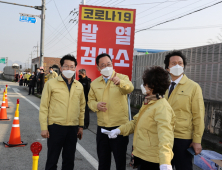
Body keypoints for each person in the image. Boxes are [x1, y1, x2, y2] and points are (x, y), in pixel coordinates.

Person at [107, 66, 175, 170]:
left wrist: (165, 162)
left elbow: (165, 136)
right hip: (142, 155)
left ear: (152, 86)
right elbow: (135, 122)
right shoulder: (149, 102)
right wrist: (118, 130)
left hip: (153, 160)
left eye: (145, 84)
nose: (143, 86)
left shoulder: (162, 107)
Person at [88, 53, 134, 170]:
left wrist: (120, 83)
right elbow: (90, 101)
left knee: (120, 162)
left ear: (112, 64)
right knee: (103, 162)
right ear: (98, 68)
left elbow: (130, 88)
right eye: (103, 65)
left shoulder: (122, 78)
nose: (107, 67)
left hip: (120, 128)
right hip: (102, 128)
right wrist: (96, 105)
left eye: (109, 64)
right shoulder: (94, 83)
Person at [39, 54, 86, 170]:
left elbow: (82, 107)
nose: (68, 69)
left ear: (75, 68)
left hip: (72, 128)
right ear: (61, 68)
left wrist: (80, 126)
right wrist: (44, 127)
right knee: (52, 159)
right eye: (66, 66)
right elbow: (44, 107)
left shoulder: (79, 86)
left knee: (69, 160)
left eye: (71, 67)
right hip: (56, 127)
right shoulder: (51, 84)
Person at [164, 50, 205, 170]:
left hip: (183, 138)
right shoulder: (164, 86)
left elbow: (198, 115)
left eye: (180, 63)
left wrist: (197, 140)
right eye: (174, 63)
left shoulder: (193, 87)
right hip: (164, 136)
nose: (177, 66)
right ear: (167, 68)